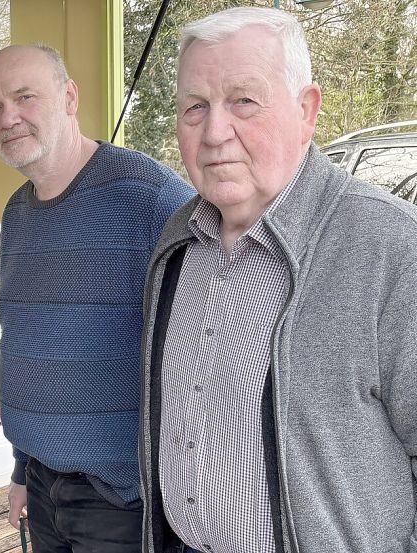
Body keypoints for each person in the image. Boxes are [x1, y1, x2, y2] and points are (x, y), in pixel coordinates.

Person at [139, 7, 417, 553]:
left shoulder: (391, 246)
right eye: (195, 107)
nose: (215, 132)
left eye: (244, 100)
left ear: (307, 109)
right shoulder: (177, 239)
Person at [0, 44, 194, 552]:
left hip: (123, 497)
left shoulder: (148, 196)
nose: (7, 117)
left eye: (24, 97)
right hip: (41, 484)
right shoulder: (17, 213)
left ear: (70, 97)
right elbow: (26, 343)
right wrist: (20, 469)